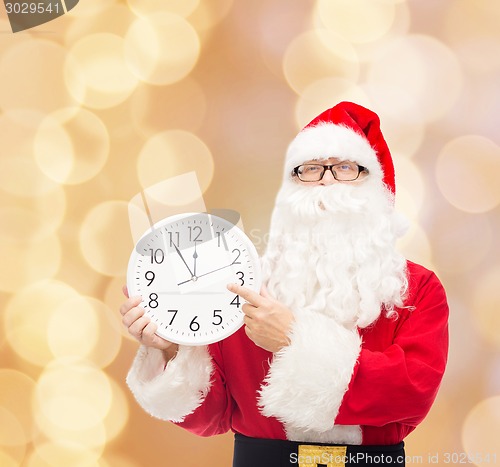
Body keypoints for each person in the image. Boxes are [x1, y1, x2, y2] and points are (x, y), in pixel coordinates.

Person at [120, 101, 449, 466]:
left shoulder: (419, 289)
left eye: (344, 168)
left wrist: (295, 339)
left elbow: (410, 394)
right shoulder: (243, 284)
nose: (326, 179)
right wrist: (170, 348)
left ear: (375, 186)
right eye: (310, 169)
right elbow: (212, 415)